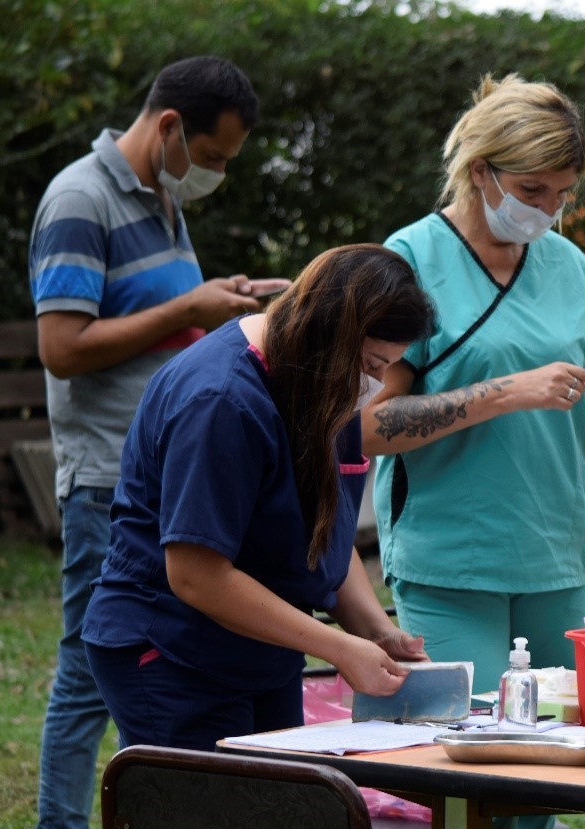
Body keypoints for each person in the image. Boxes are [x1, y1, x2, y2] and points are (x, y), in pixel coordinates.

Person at [363, 73, 585, 829]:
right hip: (452, 560)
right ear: (481, 171)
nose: (548, 210)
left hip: (558, 555)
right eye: (533, 190)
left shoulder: (567, 264)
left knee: (543, 779)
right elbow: (364, 426)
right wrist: (503, 392)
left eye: (563, 195)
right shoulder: (408, 260)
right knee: (474, 780)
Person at [27, 56, 280, 829]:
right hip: (108, 480)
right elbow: (62, 347)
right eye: (213, 155)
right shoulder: (80, 199)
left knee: (152, 673)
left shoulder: (161, 197)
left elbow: (160, 325)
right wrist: (187, 309)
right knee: (84, 681)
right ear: (170, 126)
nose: (216, 172)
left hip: (165, 475)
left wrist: (222, 299)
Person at [83, 243, 435, 753]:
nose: (376, 385)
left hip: (264, 650)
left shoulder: (321, 381)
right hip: (175, 653)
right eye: (371, 364)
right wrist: (339, 648)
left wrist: (377, 633)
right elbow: (197, 575)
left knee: (280, 798)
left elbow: (326, 532)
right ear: (330, 334)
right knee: (213, 804)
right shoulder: (220, 400)